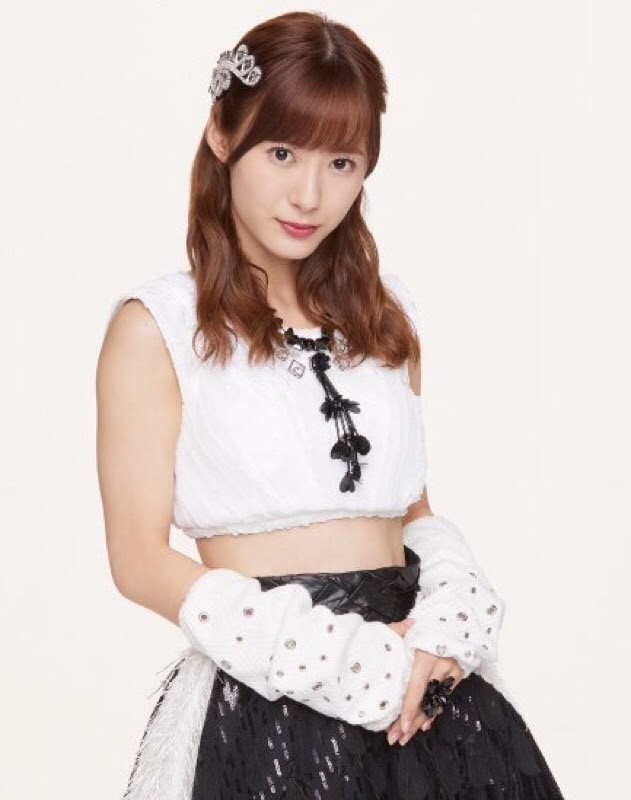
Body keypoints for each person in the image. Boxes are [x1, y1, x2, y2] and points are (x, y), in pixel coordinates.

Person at [97, 10, 566, 800]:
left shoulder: (387, 317)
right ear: (221, 134)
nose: (309, 194)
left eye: (341, 162)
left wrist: (452, 611)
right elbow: (139, 561)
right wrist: (346, 662)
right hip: (271, 701)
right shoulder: (159, 327)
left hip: (425, 690)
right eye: (281, 153)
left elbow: (409, 509)